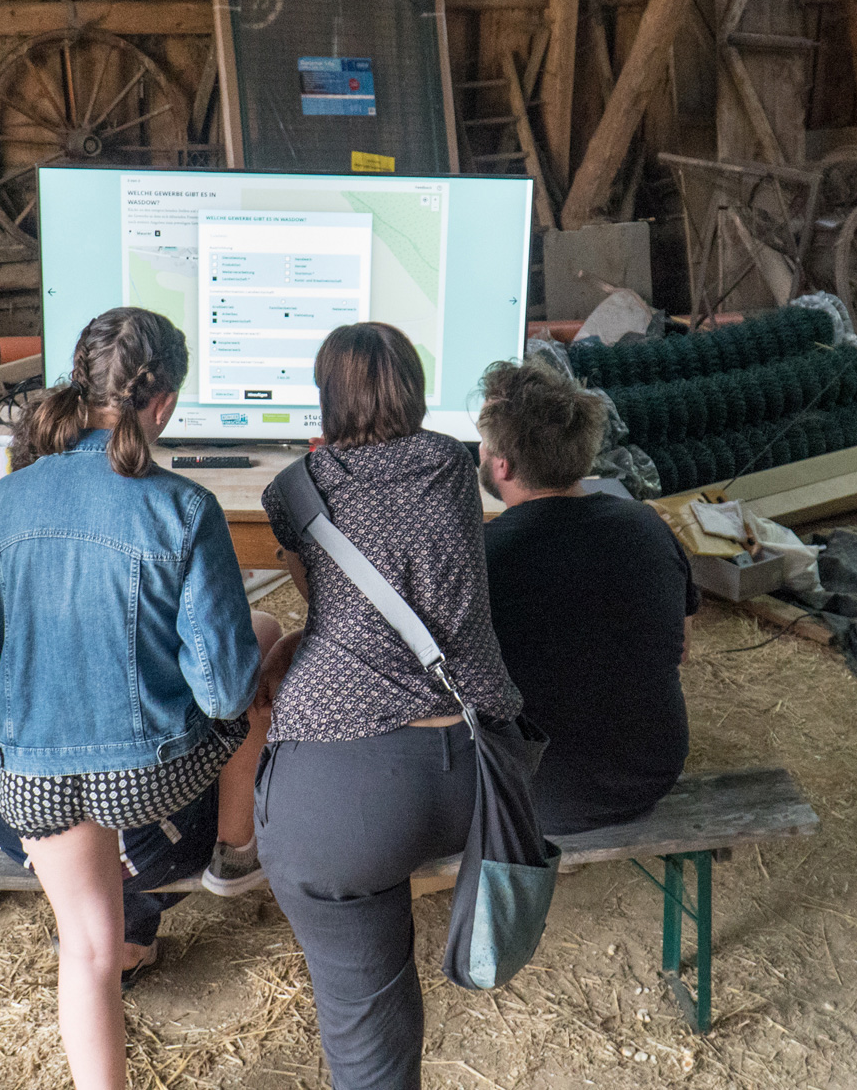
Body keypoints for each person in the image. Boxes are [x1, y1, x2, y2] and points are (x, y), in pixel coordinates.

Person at [0, 307, 263, 1090]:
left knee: (90, 949)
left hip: (34, 785)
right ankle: (233, 856)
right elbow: (223, 690)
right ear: (165, 403)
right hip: (155, 788)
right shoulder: (184, 507)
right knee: (266, 641)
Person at [256, 322, 525, 1090]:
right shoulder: (452, 463)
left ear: (325, 399)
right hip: (482, 771)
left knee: (362, 999)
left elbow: (324, 599)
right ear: (412, 386)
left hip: (350, 796)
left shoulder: (297, 490)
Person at [476, 357, 698, 834]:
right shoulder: (646, 526)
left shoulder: (480, 557)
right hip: (649, 775)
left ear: (502, 464)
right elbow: (679, 645)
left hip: (533, 796)